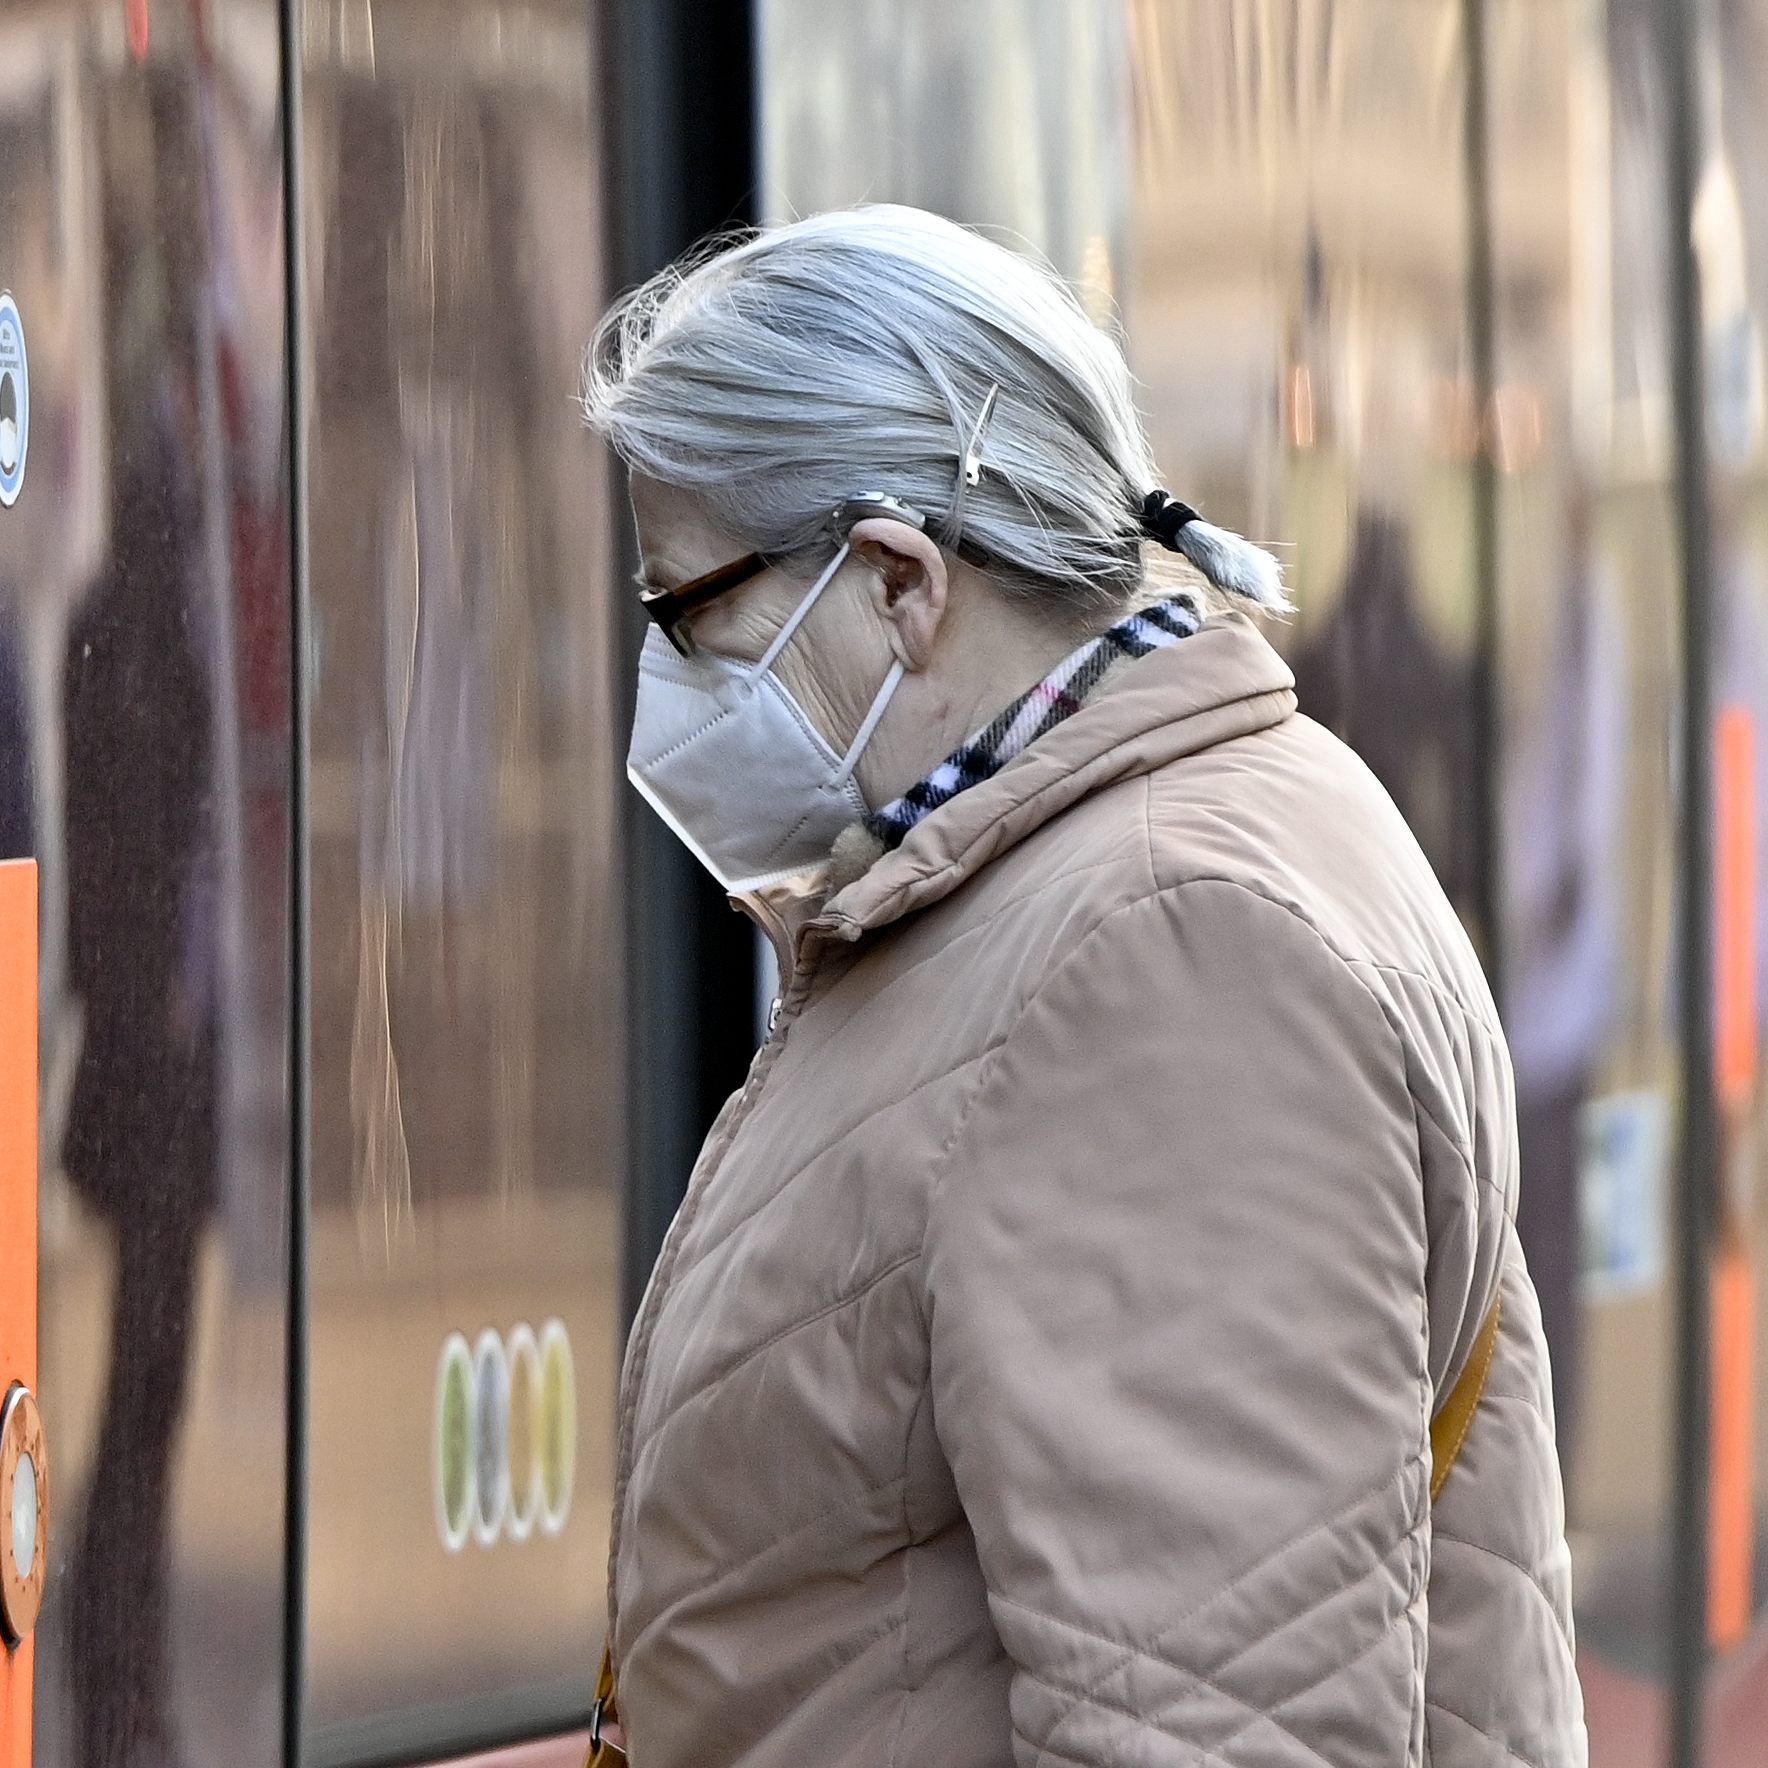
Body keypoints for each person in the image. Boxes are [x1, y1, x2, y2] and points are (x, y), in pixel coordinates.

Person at [582, 205, 1585, 1768]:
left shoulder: (1165, 957)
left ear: (899, 582)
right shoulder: (1109, 874)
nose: (665, 686)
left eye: (684, 616)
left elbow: (1220, 1722)